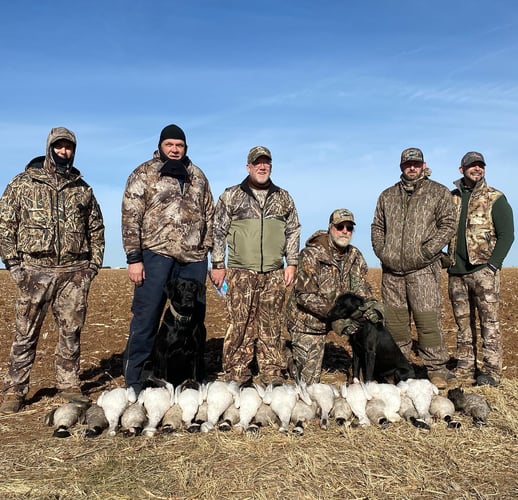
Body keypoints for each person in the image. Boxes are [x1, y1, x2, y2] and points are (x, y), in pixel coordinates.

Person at [0, 127, 105, 414]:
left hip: (73, 272)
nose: (64, 151)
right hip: (34, 270)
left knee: (71, 331)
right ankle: (15, 390)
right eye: (58, 146)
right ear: (49, 148)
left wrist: (92, 266)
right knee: (25, 332)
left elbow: (95, 228)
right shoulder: (22, 183)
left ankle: (69, 384)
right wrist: (14, 265)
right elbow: (5, 225)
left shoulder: (82, 189)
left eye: (68, 147)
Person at [121, 124, 214, 395]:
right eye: (170, 144)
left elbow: (210, 213)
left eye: (180, 145)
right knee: (146, 318)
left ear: (186, 148)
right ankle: (135, 382)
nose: (175, 149)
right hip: (155, 255)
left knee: (194, 320)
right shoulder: (144, 173)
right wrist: (134, 257)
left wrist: (206, 247)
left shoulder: (197, 175)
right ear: (161, 145)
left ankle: (194, 380)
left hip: (193, 258)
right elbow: (130, 216)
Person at [210, 146, 300, 384]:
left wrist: (291, 263)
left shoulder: (283, 198)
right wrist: (218, 264)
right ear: (248, 167)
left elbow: (293, 231)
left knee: (271, 324)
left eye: (266, 163)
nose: (262, 167)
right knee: (240, 324)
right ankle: (236, 371)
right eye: (257, 163)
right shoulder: (231, 196)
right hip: (241, 271)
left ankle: (272, 371)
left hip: (273, 272)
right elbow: (217, 230)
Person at [371, 147, 457, 389]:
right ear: (401, 166)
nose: (412, 167)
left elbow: (449, 224)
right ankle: (399, 368)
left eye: (416, 164)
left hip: (422, 270)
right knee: (396, 325)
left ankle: (436, 369)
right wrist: (383, 252)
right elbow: (377, 226)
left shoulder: (437, 192)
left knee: (427, 320)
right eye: (408, 164)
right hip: (392, 273)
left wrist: (427, 251)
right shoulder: (387, 196)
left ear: (423, 165)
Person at [286, 208, 377, 384]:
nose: (345, 231)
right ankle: (288, 356)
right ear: (330, 228)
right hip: (308, 321)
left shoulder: (355, 256)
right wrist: (336, 315)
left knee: (371, 334)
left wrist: (371, 308)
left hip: (342, 316)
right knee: (308, 383)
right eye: (340, 226)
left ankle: (357, 372)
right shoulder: (311, 254)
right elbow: (305, 296)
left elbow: (361, 288)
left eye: (349, 228)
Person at [447, 152, 514, 387]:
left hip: (483, 271)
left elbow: (507, 235)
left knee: (490, 323)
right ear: (461, 169)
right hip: (456, 273)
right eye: (472, 166)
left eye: (480, 166)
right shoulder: (451, 198)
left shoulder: (495, 198)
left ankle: (492, 372)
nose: (477, 169)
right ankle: (465, 368)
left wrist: (492, 265)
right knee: (463, 324)